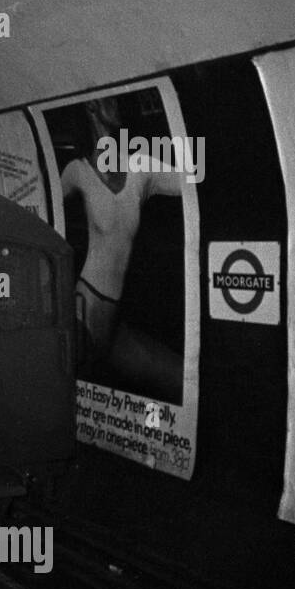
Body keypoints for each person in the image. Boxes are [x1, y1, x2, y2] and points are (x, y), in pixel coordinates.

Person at [58, 95, 183, 399]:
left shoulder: (140, 168)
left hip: (114, 326)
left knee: (182, 380)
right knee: (64, 400)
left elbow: (194, 178)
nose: (116, 106)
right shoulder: (78, 171)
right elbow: (42, 204)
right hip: (85, 307)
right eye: (107, 100)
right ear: (90, 108)